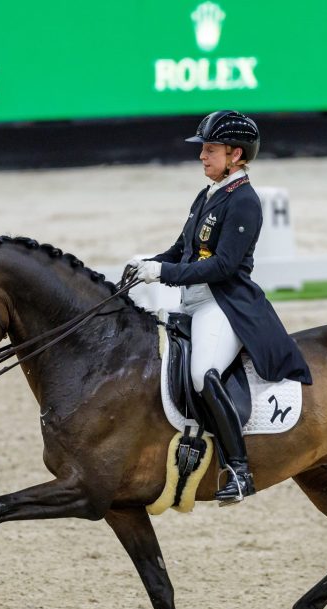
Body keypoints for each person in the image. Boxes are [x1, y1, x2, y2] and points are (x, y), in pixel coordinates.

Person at [128, 110, 312, 505]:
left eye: (210, 150)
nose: (202, 156)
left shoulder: (244, 201)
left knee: (203, 374)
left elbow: (223, 266)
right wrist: (146, 265)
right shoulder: (208, 195)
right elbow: (182, 250)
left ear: (235, 154)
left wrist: (163, 272)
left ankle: (239, 470)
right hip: (192, 302)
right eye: (203, 149)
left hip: (224, 304)